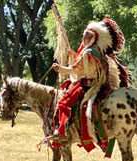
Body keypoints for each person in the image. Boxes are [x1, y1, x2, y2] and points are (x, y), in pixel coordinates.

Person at [51, 17, 130, 151]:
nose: (84, 40)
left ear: (92, 38)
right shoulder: (97, 51)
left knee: (63, 102)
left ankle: (62, 131)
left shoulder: (88, 53)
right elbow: (82, 65)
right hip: (101, 84)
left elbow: (76, 69)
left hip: (89, 85)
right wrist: (74, 56)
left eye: (86, 37)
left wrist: (60, 68)